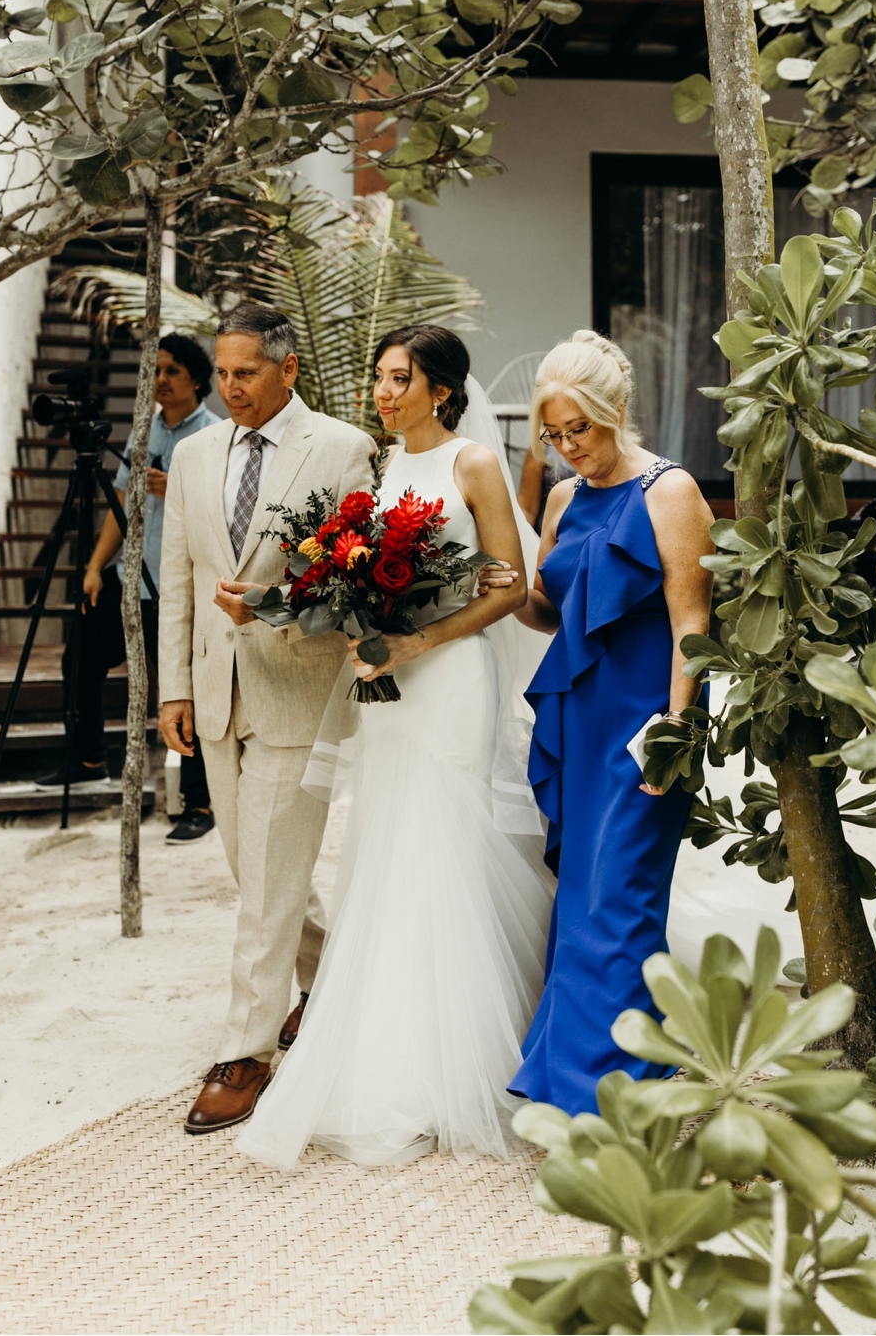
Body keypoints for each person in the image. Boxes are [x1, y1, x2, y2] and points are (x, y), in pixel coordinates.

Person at [232, 325, 553, 1169]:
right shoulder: (383, 466)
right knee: (385, 843)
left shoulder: (471, 464)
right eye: (378, 376)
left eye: (398, 377)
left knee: (443, 836)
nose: (382, 390)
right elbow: (362, 568)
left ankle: (465, 1056)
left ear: (440, 389)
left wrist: (419, 640)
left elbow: (507, 583)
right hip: (384, 683)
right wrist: (352, 615)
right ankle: (391, 1049)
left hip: (448, 681)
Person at [157, 303, 377, 1135]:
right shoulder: (191, 453)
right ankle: (326, 975)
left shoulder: (343, 448)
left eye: (245, 371)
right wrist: (172, 688)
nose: (229, 387)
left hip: (296, 685)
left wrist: (277, 609)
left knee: (269, 872)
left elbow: (351, 581)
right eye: (221, 372)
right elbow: (177, 579)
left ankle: (246, 1049)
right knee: (258, 872)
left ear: (288, 369)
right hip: (214, 694)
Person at [507, 331, 714, 1118]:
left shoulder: (670, 492)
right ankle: (577, 1084)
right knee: (580, 898)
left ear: (615, 412)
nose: (567, 450)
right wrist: (494, 578)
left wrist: (673, 734)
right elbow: (550, 613)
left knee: (619, 901)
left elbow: (691, 622)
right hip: (577, 721)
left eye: (579, 431)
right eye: (554, 437)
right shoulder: (560, 500)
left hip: (641, 729)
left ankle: (615, 1097)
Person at [35, 334, 217, 844]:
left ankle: (199, 803)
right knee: (80, 660)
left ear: (197, 381)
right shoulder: (143, 429)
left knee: (184, 693)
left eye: (171, 371)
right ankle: (88, 758)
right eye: (154, 370)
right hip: (126, 581)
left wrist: (177, 489)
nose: (159, 380)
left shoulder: (214, 436)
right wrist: (96, 565)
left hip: (178, 590)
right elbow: (121, 502)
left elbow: (225, 520)